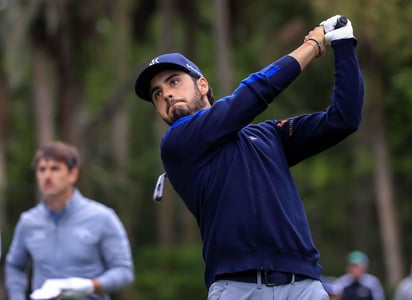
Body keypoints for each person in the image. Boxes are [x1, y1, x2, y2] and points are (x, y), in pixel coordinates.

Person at [134, 14, 363, 300]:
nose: (166, 94)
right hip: (237, 288)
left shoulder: (268, 136)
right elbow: (254, 93)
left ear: (202, 85)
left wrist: (343, 44)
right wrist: (312, 45)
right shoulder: (178, 143)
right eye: (157, 94)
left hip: (305, 283)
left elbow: (344, 119)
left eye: (174, 82)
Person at [5, 141, 135, 300]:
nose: (47, 176)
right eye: (41, 169)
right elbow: (15, 266)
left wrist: (91, 286)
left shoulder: (103, 217)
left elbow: (123, 271)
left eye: (55, 168)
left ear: (73, 174)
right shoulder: (28, 222)